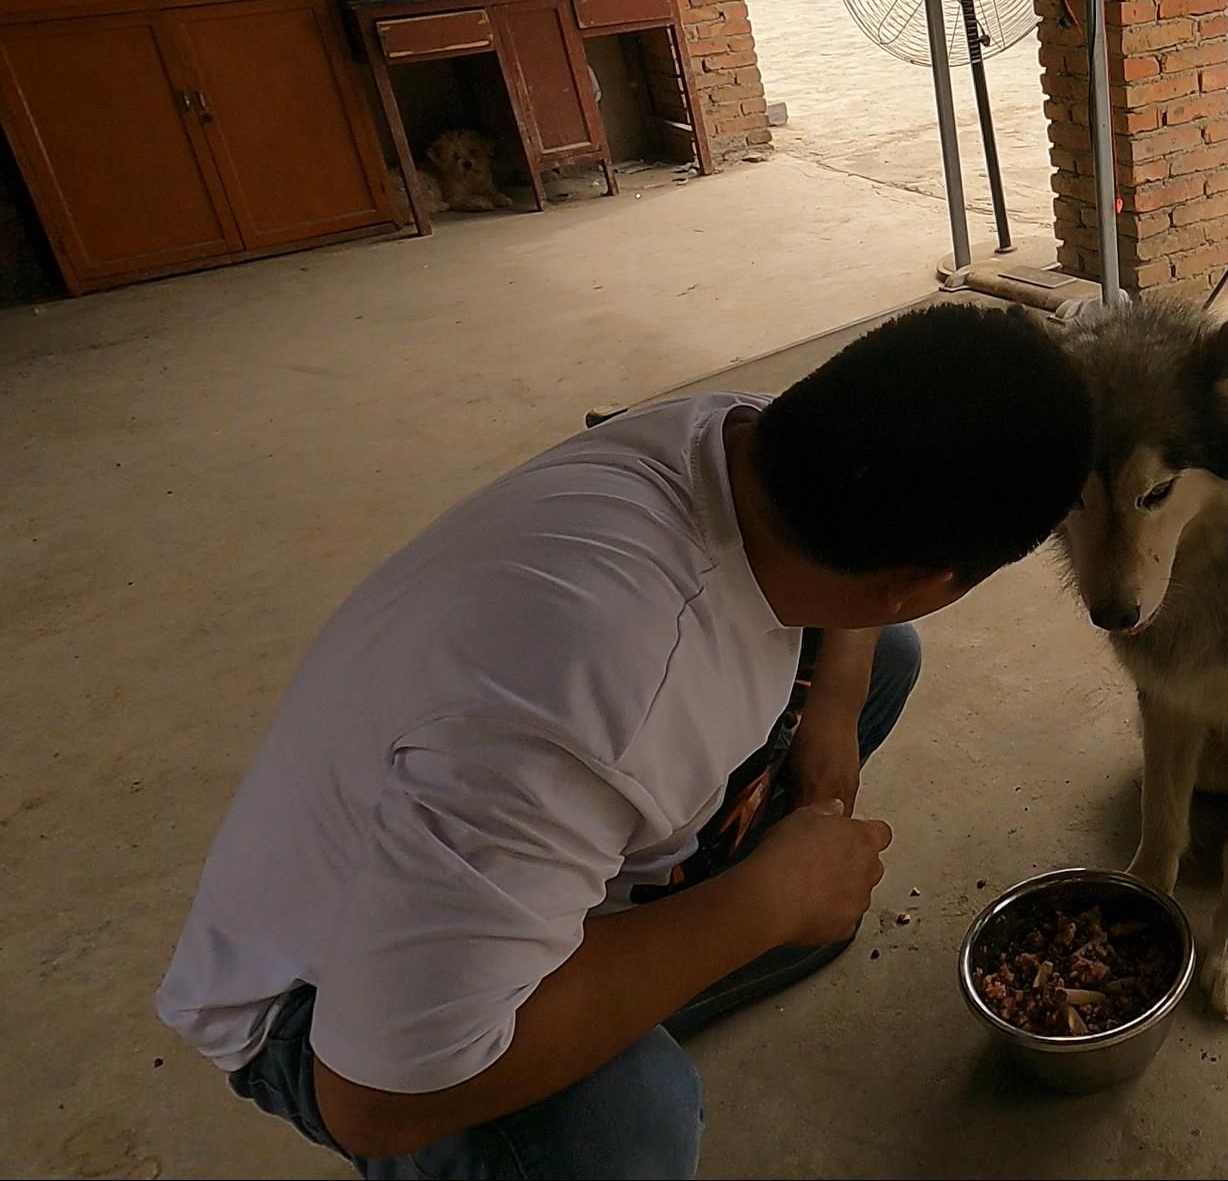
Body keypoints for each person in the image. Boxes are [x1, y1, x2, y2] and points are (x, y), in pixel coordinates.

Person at [156, 304, 1094, 1179]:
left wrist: (835, 710)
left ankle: (655, 972)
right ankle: (650, 994)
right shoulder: (593, 702)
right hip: (322, 1010)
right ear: (929, 578)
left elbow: (863, 598)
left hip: (497, 845)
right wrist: (766, 904)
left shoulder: (740, 439)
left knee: (879, 656)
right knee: (631, 1117)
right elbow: (375, 1097)